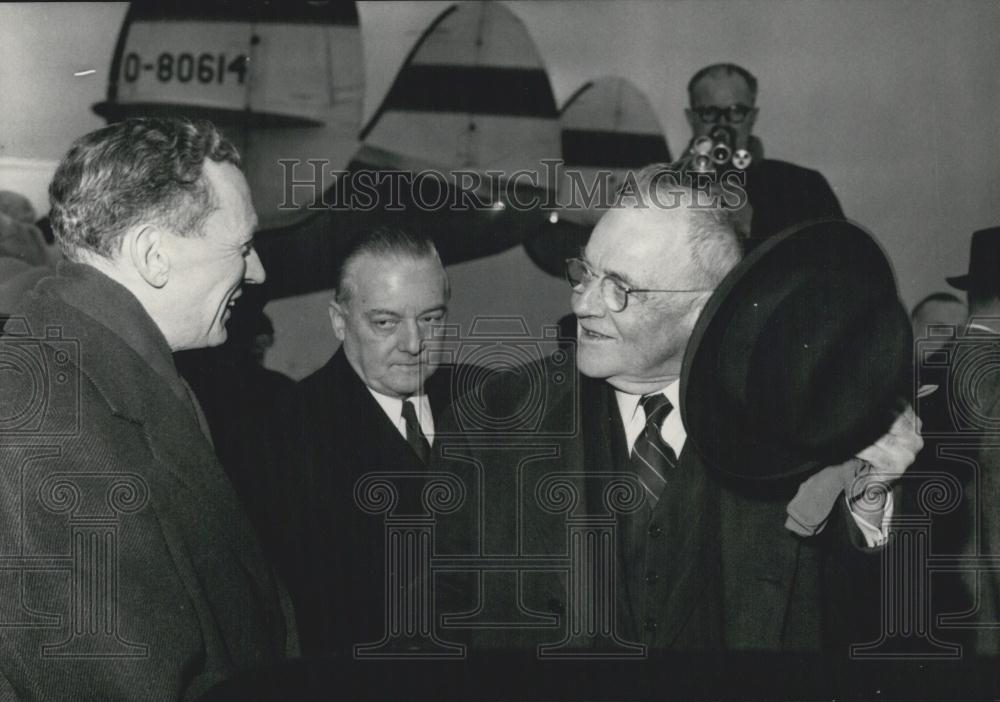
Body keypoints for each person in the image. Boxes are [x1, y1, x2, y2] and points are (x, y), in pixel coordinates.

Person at [431, 165, 920, 655]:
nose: (582, 304)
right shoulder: (490, 421)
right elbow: (434, 625)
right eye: (585, 272)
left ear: (705, 306)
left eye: (619, 288)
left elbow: (859, 628)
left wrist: (870, 504)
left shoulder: (791, 425)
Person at [0, 117, 293, 699]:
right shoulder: (48, 429)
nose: (257, 271)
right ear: (153, 255)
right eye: (242, 247)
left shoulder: (119, 373)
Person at [278, 225, 461, 656]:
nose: (414, 344)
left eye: (431, 319)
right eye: (385, 322)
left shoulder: (485, 401)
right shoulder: (288, 432)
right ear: (339, 322)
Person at [684, 63, 844, 250]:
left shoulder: (806, 188)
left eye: (736, 111)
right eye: (709, 113)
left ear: (752, 117)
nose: (722, 124)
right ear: (691, 118)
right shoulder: (663, 189)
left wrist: (753, 229)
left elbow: (835, 268)